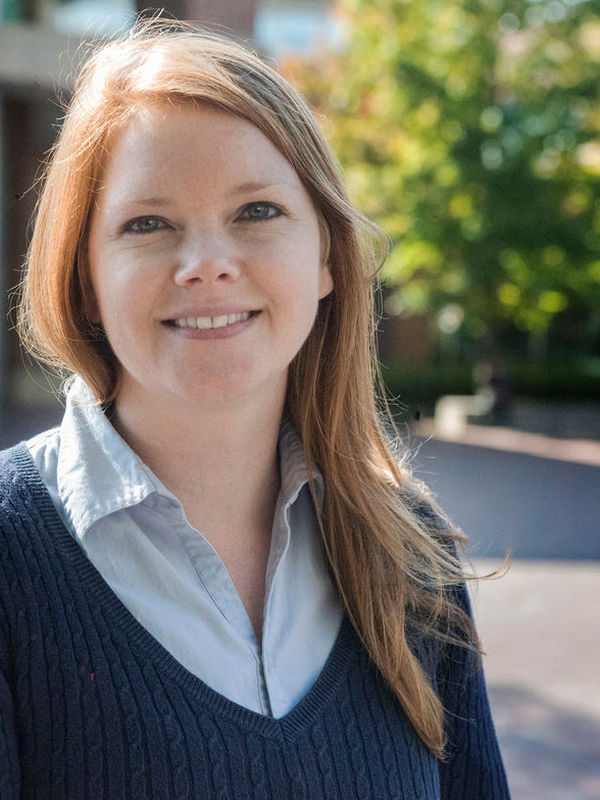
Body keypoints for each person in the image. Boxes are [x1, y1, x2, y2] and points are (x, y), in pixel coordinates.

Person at [0, 19, 511, 799]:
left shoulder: (413, 555)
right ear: (84, 283)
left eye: (257, 212)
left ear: (327, 259)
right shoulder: (11, 555)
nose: (206, 265)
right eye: (148, 224)